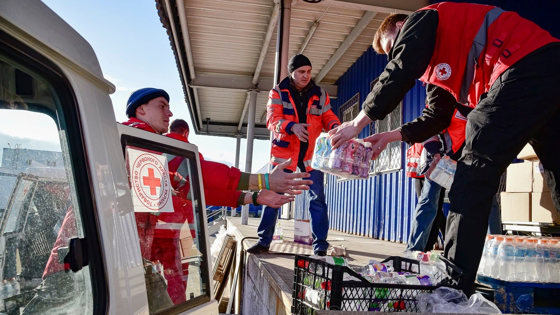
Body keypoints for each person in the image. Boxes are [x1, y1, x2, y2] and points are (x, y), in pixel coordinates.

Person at [329, 2, 560, 295]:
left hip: (523, 65)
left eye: (393, 47)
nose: (394, 54)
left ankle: (452, 287)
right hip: (547, 70)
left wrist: (358, 123)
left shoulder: (423, 18)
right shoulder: (439, 64)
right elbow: (436, 116)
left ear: (401, 28)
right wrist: (390, 137)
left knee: (471, 175)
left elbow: (400, 67)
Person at [121, 87, 313, 306]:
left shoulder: (147, 146)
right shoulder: (139, 137)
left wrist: (254, 197)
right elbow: (197, 172)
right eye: (162, 106)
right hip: (130, 249)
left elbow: (193, 190)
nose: (170, 113)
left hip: (141, 246)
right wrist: (263, 181)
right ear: (141, 110)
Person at [247, 54, 341, 256]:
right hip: (285, 156)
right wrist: (292, 127)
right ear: (292, 72)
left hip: (311, 157)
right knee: (273, 197)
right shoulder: (278, 92)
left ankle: (321, 246)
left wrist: (335, 127)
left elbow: (328, 116)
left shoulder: (320, 94)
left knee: (317, 199)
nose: (306, 75)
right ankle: (264, 241)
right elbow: (273, 119)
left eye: (308, 71)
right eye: (301, 72)